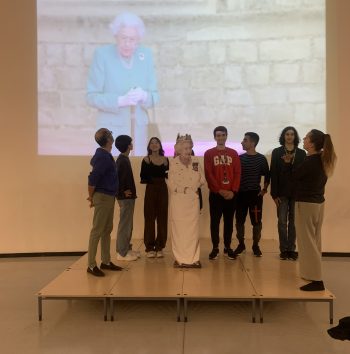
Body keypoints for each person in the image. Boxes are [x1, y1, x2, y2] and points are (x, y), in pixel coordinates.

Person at [86, 12, 159, 156]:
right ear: (116, 36)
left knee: (137, 173)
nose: (127, 43)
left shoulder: (145, 55)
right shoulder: (102, 55)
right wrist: (120, 101)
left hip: (139, 133)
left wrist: (144, 96)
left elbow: (155, 97)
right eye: (123, 38)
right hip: (110, 133)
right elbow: (91, 96)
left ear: (138, 39)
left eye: (132, 39)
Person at [293, 129, 336, 291]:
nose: (303, 139)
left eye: (306, 138)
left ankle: (317, 280)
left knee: (307, 242)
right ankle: (310, 274)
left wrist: (289, 164)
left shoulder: (311, 161)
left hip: (306, 204)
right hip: (317, 204)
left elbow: (295, 177)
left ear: (311, 144)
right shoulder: (320, 159)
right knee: (314, 240)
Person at [87, 128, 123, 277]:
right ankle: (91, 265)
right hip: (102, 197)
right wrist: (91, 197)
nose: (112, 136)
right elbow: (93, 178)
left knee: (107, 229)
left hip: (108, 196)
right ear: (108, 139)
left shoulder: (105, 155)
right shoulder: (102, 156)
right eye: (110, 134)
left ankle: (106, 261)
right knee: (97, 230)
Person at [167, 134, 205, 268]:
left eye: (189, 148)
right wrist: (184, 189)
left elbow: (202, 179)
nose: (188, 151)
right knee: (179, 230)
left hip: (192, 201)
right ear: (178, 149)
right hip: (179, 201)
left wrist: (193, 187)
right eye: (185, 148)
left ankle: (194, 258)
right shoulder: (173, 162)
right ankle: (180, 258)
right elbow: (171, 184)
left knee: (192, 230)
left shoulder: (195, 161)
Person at [204, 126, 241, 260]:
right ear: (215, 137)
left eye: (223, 135)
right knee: (215, 221)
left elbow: (237, 173)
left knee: (229, 221)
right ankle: (215, 247)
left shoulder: (233, 153)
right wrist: (218, 190)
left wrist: (233, 191)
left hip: (231, 194)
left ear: (226, 136)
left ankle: (227, 247)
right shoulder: (209, 153)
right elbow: (209, 173)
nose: (220, 137)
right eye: (218, 135)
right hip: (216, 194)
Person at [270, 127, 306, 260]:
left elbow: (302, 175)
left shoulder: (302, 153)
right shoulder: (277, 152)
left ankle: (292, 249)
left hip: (297, 193)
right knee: (282, 221)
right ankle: (283, 249)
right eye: (287, 134)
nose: (289, 136)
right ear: (283, 136)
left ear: (295, 136)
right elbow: (273, 173)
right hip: (282, 193)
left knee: (294, 222)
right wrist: (274, 194)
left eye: (292, 134)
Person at [234, 132, 270, 257]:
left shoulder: (261, 159)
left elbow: (267, 174)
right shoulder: (240, 158)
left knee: (256, 221)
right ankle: (241, 244)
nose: (242, 142)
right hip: (241, 195)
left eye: (245, 140)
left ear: (252, 143)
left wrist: (264, 189)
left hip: (255, 196)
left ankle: (255, 245)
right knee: (239, 220)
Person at [140, 137, 169, 258]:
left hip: (163, 189)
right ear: (149, 146)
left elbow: (169, 176)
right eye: (152, 143)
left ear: (160, 145)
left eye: (156, 142)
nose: (154, 144)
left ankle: (160, 246)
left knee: (162, 218)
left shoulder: (166, 160)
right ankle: (149, 247)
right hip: (151, 189)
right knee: (150, 218)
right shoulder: (146, 159)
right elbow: (143, 177)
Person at [115, 135, 140, 261]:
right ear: (127, 145)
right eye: (131, 142)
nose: (132, 144)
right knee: (125, 224)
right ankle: (121, 252)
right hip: (125, 199)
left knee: (128, 224)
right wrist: (122, 193)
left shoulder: (124, 159)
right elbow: (117, 179)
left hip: (128, 198)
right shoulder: (122, 160)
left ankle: (126, 248)